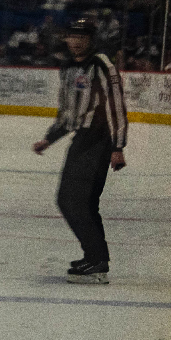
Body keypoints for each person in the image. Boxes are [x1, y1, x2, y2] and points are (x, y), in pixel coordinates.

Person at [33, 18, 127, 284]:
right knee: (81, 202)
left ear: (91, 39)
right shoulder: (67, 67)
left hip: (98, 140)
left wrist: (118, 147)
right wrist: (49, 139)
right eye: (72, 36)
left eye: (82, 36)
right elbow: (68, 112)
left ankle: (97, 261)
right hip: (82, 139)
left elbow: (116, 106)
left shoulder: (101, 65)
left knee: (71, 200)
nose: (76, 41)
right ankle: (95, 258)